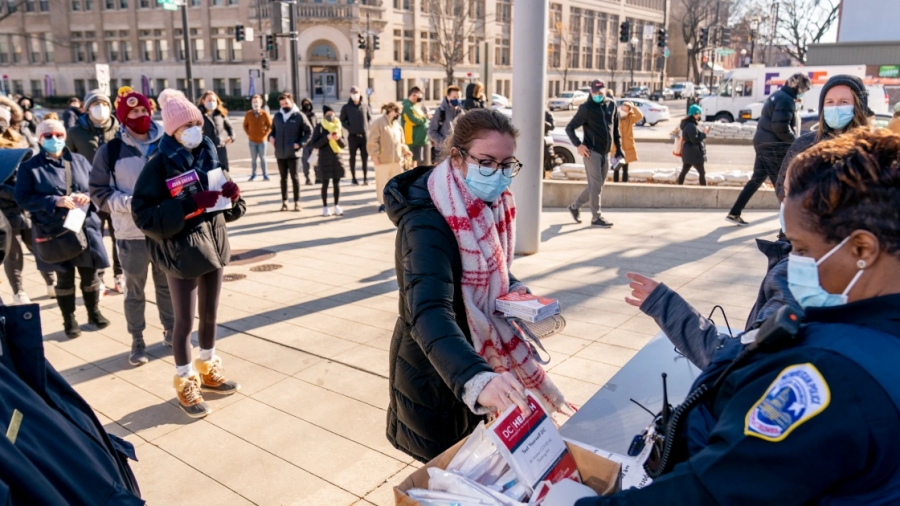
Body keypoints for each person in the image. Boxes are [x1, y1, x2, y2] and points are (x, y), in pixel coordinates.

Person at [577, 127, 900, 505]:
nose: (792, 263)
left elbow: (712, 494)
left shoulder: (826, 374)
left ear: (862, 247)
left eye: (801, 248)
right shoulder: (865, 331)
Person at [384, 108, 571, 463]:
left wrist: (516, 293)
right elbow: (428, 311)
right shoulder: (426, 222)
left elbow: (492, 269)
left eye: (506, 164)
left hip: (480, 360)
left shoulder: (491, 205)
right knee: (449, 475)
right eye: (487, 162)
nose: (498, 175)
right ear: (457, 157)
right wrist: (477, 378)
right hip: (440, 373)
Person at [131, 89, 246, 418]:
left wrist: (234, 197)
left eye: (198, 123)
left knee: (210, 315)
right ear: (172, 131)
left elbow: (228, 205)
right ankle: (185, 381)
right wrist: (189, 205)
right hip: (181, 252)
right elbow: (144, 215)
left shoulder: (210, 152)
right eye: (187, 126)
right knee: (184, 322)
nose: (195, 130)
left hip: (214, 244)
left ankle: (208, 365)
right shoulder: (157, 166)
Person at [90, 86, 175, 367]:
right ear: (124, 117)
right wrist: (132, 202)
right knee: (134, 290)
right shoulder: (110, 151)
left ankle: (171, 330)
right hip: (130, 233)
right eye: (134, 112)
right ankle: (137, 339)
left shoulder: (167, 144)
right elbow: (99, 193)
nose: (140, 116)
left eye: (143, 111)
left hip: (164, 231)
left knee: (167, 286)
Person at [15, 119, 110, 339]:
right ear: (39, 139)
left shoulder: (78, 160)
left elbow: (96, 188)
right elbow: (22, 198)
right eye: (48, 136)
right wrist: (53, 200)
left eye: (58, 135)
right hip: (54, 232)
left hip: (84, 227)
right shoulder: (30, 167)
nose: (54, 139)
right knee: (64, 277)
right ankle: (69, 319)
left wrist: (86, 196)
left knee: (90, 274)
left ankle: (93, 312)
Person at [726, 73, 811, 226]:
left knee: (757, 179)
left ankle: (734, 212)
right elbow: (780, 127)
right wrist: (795, 143)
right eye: (804, 88)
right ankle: (791, 223)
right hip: (772, 146)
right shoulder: (786, 100)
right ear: (798, 87)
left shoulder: (778, 95)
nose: (804, 92)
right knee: (781, 183)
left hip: (762, 142)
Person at [775, 74, 871, 202]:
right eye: (830, 102)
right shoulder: (804, 144)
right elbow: (781, 185)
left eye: (844, 102)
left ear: (858, 106)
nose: (835, 107)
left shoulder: (871, 148)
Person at [0, 99, 57, 303]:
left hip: (27, 207)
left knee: (39, 247)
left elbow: (31, 166)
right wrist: (17, 192)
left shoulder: (19, 139)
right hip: (5, 212)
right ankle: (18, 291)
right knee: (13, 255)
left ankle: (51, 282)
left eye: (2, 119)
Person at [66, 89, 122, 295]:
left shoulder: (120, 128)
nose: (101, 108)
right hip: (88, 194)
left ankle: (120, 274)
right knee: (94, 237)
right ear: (87, 108)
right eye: (96, 104)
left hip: (116, 192)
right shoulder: (74, 133)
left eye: (105, 104)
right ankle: (98, 278)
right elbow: (68, 164)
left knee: (119, 235)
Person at [565, 79, 623, 228]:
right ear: (590, 92)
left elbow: (615, 129)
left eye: (601, 93)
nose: (598, 95)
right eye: (595, 92)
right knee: (596, 185)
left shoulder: (611, 104)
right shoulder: (586, 108)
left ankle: (575, 206)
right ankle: (596, 217)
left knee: (596, 186)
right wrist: (578, 145)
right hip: (591, 152)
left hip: (606, 152)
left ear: (605, 91)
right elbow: (570, 128)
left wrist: (619, 149)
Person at [269, 93, 312, 212]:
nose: (284, 105)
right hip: (280, 153)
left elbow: (309, 132)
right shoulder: (277, 116)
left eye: (286, 103)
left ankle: (297, 202)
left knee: (295, 178)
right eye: (282, 104)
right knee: (283, 178)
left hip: (294, 154)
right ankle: (285, 202)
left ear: (291, 102)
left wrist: (299, 144)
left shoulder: (299, 116)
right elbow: (273, 131)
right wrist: (270, 137)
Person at [368, 102, 410, 213]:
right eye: (397, 112)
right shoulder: (379, 123)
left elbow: (401, 141)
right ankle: (383, 203)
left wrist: (405, 150)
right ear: (391, 110)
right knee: (382, 182)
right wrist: (375, 155)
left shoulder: (397, 125)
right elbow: (372, 141)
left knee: (396, 182)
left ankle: (395, 202)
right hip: (383, 160)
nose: (398, 115)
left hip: (396, 160)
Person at [310, 105, 346, 217]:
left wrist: (338, 138)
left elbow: (344, 144)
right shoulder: (320, 127)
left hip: (337, 158)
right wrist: (327, 138)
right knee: (325, 183)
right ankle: (325, 207)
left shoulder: (338, 125)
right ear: (324, 115)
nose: (330, 116)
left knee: (336, 183)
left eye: (332, 113)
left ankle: (336, 205)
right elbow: (314, 143)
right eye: (328, 114)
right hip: (324, 159)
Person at [340, 86, 372, 186]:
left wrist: (367, 127)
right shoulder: (346, 107)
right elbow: (342, 120)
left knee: (364, 158)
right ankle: (353, 178)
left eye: (357, 92)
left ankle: (365, 178)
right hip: (353, 136)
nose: (355, 94)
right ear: (350, 94)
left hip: (364, 136)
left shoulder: (364, 105)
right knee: (352, 158)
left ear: (360, 93)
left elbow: (369, 118)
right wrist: (350, 128)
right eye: (353, 92)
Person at [197, 91, 234, 172]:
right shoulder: (198, 115)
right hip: (205, 150)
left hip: (220, 148)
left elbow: (230, 127)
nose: (212, 102)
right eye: (209, 100)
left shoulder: (220, 114)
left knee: (223, 174)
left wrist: (231, 137)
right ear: (203, 101)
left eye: (214, 100)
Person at [427, 85, 463, 161]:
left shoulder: (461, 112)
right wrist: (445, 143)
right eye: (454, 97)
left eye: (458, 97)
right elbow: (431, 131)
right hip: (442, 152)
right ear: (448, 97)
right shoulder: (440, 111)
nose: (457, 99)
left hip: (457, 152)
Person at [242, 94, 272, 181]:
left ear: (261, 103)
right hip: (252, 141)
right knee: (253, 159)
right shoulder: (248, 114)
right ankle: (253, 174)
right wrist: (249, 134)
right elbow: (245, 125)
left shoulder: (264, 114)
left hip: (262, 141)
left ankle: (265, 174)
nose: (255, 103)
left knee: (263, 158)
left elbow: (270, 125)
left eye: (257, 102)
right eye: (254, 102)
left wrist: (265, 134)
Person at [677, 104, 709, 186]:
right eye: (699, 114)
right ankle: (704, 190)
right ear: (695, 114)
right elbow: (695, 140)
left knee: (684, 171)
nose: (700, 116)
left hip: (688, 152)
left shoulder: (687, 124)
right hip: (694, 153)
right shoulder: (691, 125)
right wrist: (704, 133)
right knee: (702, 172)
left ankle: (679, 187)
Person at [612, 101, 643, 183]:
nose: (623, 111)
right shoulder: (615, 117)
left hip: (627, 147)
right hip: (616, 147)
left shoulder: (630, 118)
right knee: (616, 168)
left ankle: (624, 185)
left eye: (625, 110)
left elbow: (640, 115)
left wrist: (633, 107)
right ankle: (616, 185)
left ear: (629, 111)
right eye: (622, 109)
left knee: (625, 169)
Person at [402, 86, 429, 166]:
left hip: (419, 140)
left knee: (418, 161)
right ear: (413, 95)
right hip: (413, 139)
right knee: (413, 162)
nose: (420, 98)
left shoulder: (415, 106)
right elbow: (413, 120)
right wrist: (425, 118)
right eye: (419, 96)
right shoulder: (407, 107)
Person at [299, 98, 317, 185]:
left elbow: (316, 127)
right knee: (305, 161)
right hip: (305, 142)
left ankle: (318, 177)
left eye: (308, 103)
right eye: (305, 104)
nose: (307, 105)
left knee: (315, 160)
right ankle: (307, 178)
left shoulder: (313, 115)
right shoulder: (300, 115)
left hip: (313, 141)